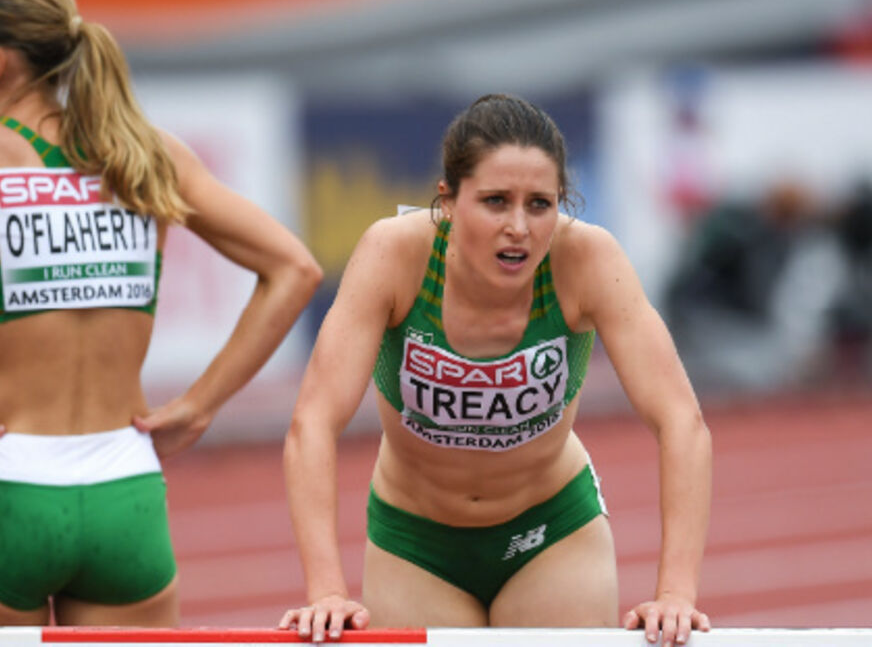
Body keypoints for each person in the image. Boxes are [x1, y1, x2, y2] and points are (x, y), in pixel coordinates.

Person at [0, 0, 321, 627]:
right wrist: (200, 406)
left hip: (2, 485)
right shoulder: (145, 155)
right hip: (125, 483)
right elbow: (294, 268)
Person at [278, 94, 711, 647]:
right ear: (448, 200)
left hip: (550, 533)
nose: (519, 227)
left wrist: (675, 592)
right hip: (416, 545)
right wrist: (325, 591)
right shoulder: (394, 255)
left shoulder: (588, 260)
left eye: (540, 204)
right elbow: (313, 422)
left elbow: (681, 421)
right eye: (495, 202)